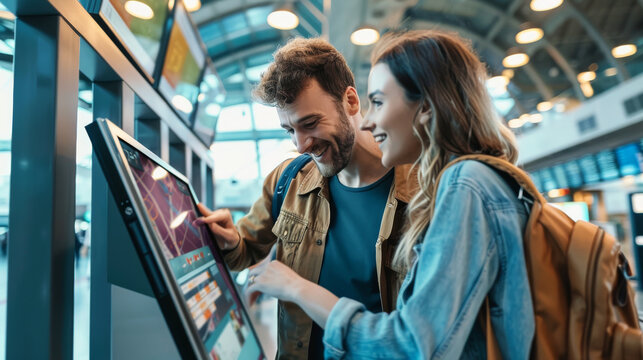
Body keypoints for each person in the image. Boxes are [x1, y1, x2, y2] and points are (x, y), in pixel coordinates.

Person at [242, 30, 535, 359]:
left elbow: (411, 344)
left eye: (378, 102)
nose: (369, 121)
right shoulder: (478, 182)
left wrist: (296, 287)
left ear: (425, 106)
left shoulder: (465, 185)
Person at [195, 38, 418, 359]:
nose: (301, 145)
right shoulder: (288, 181)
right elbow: (245, 251)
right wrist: (231, 241)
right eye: (289, 130)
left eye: (310, 123)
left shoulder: (422, 191)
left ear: (351, 101)